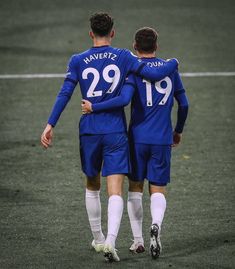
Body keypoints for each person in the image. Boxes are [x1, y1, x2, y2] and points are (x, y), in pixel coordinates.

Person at [41, 13, 178, 262]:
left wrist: (50, 124)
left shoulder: (78, 59)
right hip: (115, 130)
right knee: (115, 190)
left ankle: (99, 238)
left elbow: (64, 93)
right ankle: (112, 241)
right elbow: (153, 74)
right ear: (113, 33)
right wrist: (173, 63)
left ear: (90, 33)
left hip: (90, 131)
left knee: (92, 185)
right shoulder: (124, 56)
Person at [82, 27, 189, 259]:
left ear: (134, 46)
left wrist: (95, 106)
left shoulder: (133, 71)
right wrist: (177, 131)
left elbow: (125, 99)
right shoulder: (170, 70)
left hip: (137, 139)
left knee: (135, 188)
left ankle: (138, 241)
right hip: (162, 138)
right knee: (158, 188)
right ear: (156, 46)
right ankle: (156, 225)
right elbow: (185, 104)